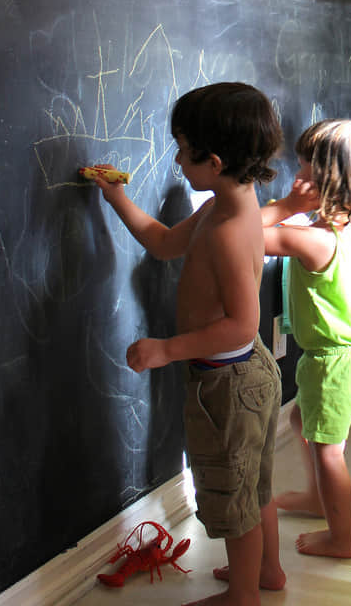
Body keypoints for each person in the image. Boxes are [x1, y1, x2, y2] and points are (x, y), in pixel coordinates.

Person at [93, 82, 284, 606]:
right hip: (246, 374)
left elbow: (243, 324)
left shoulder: (226, 228)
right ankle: (267, 572)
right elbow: (163, 242)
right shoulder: (226, 201)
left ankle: (243, 595)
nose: (175, 159)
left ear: (215, 160)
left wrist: (166, 349)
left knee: (233, 499)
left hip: (227, 380)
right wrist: (118, 200)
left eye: (182, 148)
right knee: (252, 484)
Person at [260, 119, 351, 559]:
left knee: (328, 452)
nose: (294, 179)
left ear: (328, 184)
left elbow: (247, 237)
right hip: (348, 355)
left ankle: (343, 539)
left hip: (333, 361)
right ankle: (319, 500)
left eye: (303, 172)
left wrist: (282, 205)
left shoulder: (316, 240)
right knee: (303, 422)